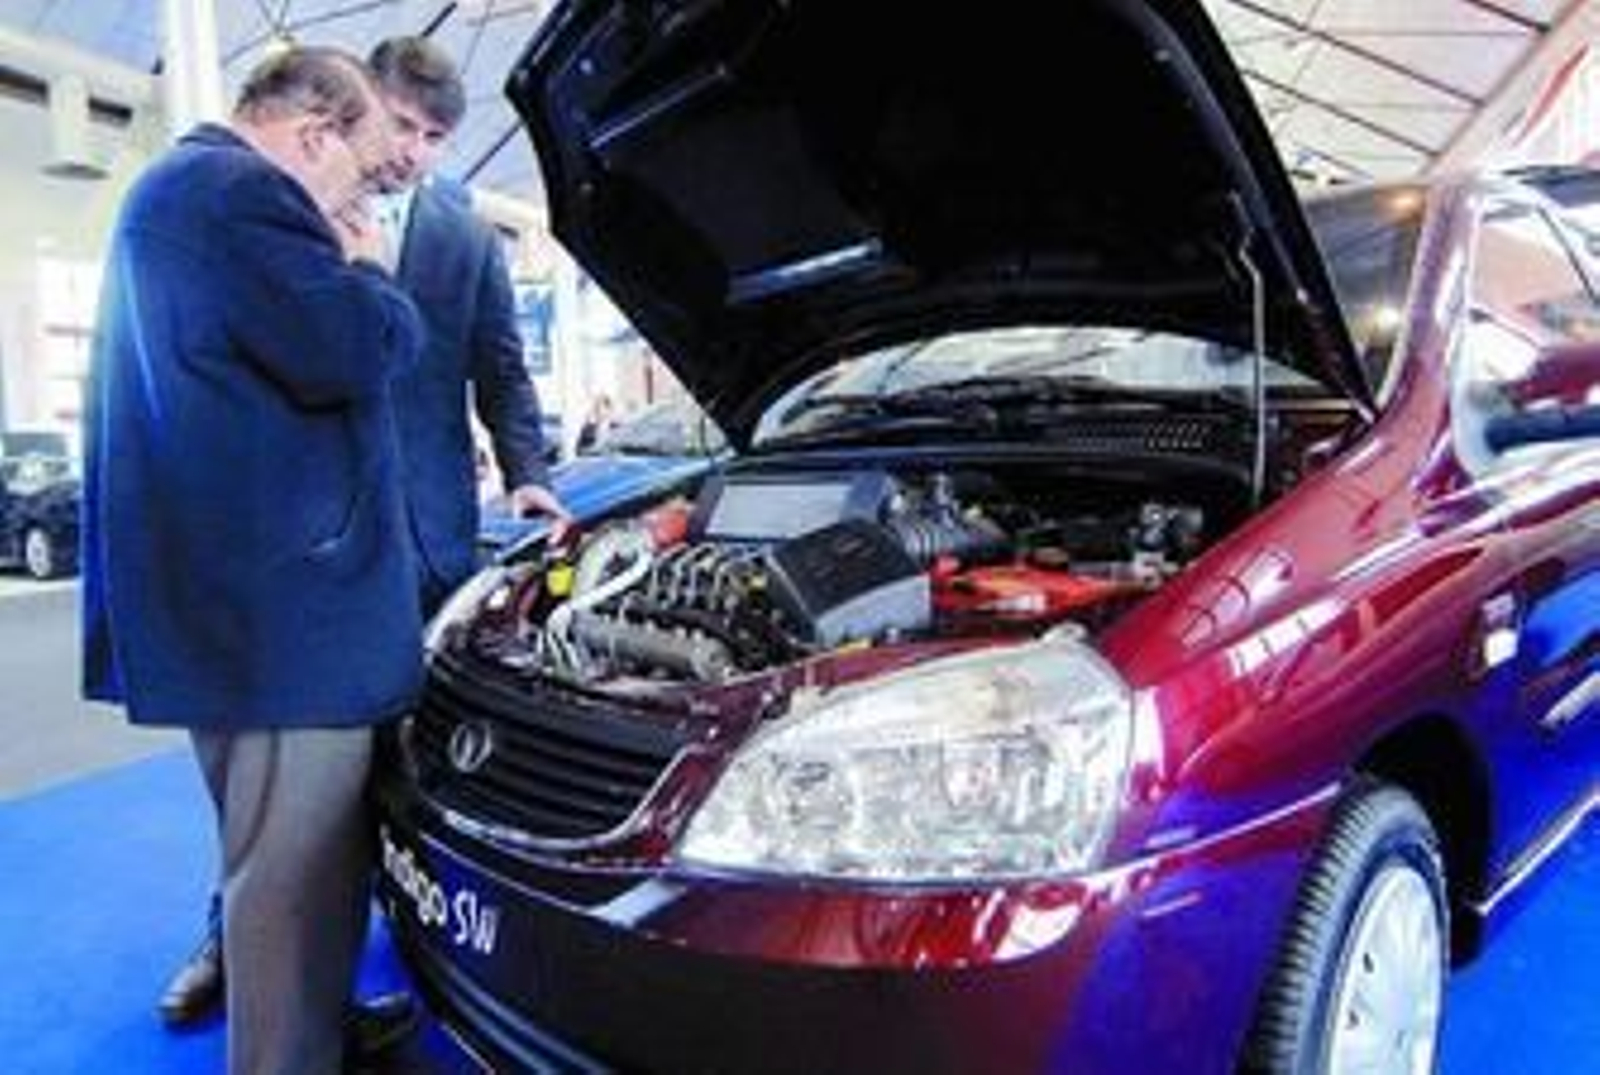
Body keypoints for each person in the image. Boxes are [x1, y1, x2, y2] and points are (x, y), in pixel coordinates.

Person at [155, 34, 572, 1032]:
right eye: (401, 126)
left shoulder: (467, 239)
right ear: (356, 108)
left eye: (433, 138)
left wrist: (528, 474)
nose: (411, 153)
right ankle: (238, 942)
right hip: (307, 552)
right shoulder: (277, 197)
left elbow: (501, 371)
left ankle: (375, 952)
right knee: (282, 787)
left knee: (396, 770)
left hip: (427, 543)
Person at [82, 46, 426, 1073]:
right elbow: (354, 350)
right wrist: (372, 271)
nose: (358, 201)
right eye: (359, 172)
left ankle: (317, 1025)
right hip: (286, 620)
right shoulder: (244, 197)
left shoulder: (176, 191)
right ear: (314, 136)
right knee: (290, 877)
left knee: (291, 863)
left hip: (233, 606)